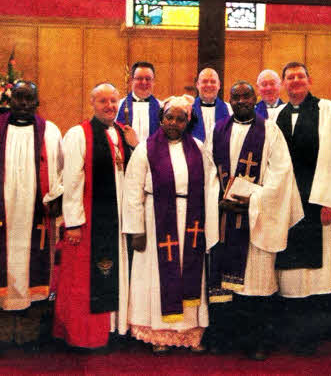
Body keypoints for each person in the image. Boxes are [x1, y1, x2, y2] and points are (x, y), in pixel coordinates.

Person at [205, 81, 303, 360]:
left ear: (254, 98)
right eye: (235, 97)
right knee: (225, 285)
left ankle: (258, 340)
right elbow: (210, 168)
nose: (241, 101)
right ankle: (226, 338)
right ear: (230, 101)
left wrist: (254, 200)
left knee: (255, 282)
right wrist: (217, 199)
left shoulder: (270, 130)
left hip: (257, 218)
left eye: (246, 96)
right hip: (225, 216)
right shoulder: (219, 129)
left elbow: (281, 172)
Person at [270, 62, 331, 355]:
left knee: (316, 272)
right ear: (283, 84)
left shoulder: (328, 111)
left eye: (300, 76)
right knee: (289, 270)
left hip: (317, 203)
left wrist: (330, 199)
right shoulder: (276, 114)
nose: (295, 81)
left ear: (309, 80)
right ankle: (290, 332)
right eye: (290, 77)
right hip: (287, 204)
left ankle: (313, 334)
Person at [123, 95, 208, 355]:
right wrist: (136, 228)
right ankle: (158, 333)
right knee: (157, 276)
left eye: (180, 119)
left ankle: (189, 333)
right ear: (160, 119)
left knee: (188, 272)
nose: (173, 123)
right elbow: (133, 190)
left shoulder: (198, 148)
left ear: (187, 122)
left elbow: (210, 184)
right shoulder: (145, 149)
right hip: (155, 218)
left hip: (190, 220)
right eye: (169, 117)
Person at [53, 83, 136, 350]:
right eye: (103, 101)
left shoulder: (124, 133)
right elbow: (72, 181)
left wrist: (135, 146)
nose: (110, 106)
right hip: (91, 220)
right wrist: (74, 223)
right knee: (90, 276)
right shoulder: (79, 134)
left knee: (117, 268)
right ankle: (90, 333)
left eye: (113, 101)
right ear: (92, 103)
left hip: (119, 218)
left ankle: (116, 327)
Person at [0, 81, 63, 350]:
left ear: (38, 102)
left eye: (29, 99)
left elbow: (61, 168)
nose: (24, 104)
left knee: (32, 264)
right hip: (4, 210)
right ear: (9, 100)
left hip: (35, 211)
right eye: (19, 98)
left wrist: (56, 198)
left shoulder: (50, 132)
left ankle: (30, 327)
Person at [117, 61, 161, 144]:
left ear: (153, 81)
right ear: (131, 80)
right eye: (139, 78)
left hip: (152, 155)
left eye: (148, 79)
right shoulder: (118, 106)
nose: (144, 82)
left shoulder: (161, 107)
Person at [191, 68, 232, 143]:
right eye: (205, 81)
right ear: (197, 85)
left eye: (213, 82)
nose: (209, 85)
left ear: (219, 85)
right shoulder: (188, 108)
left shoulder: (230, 110)